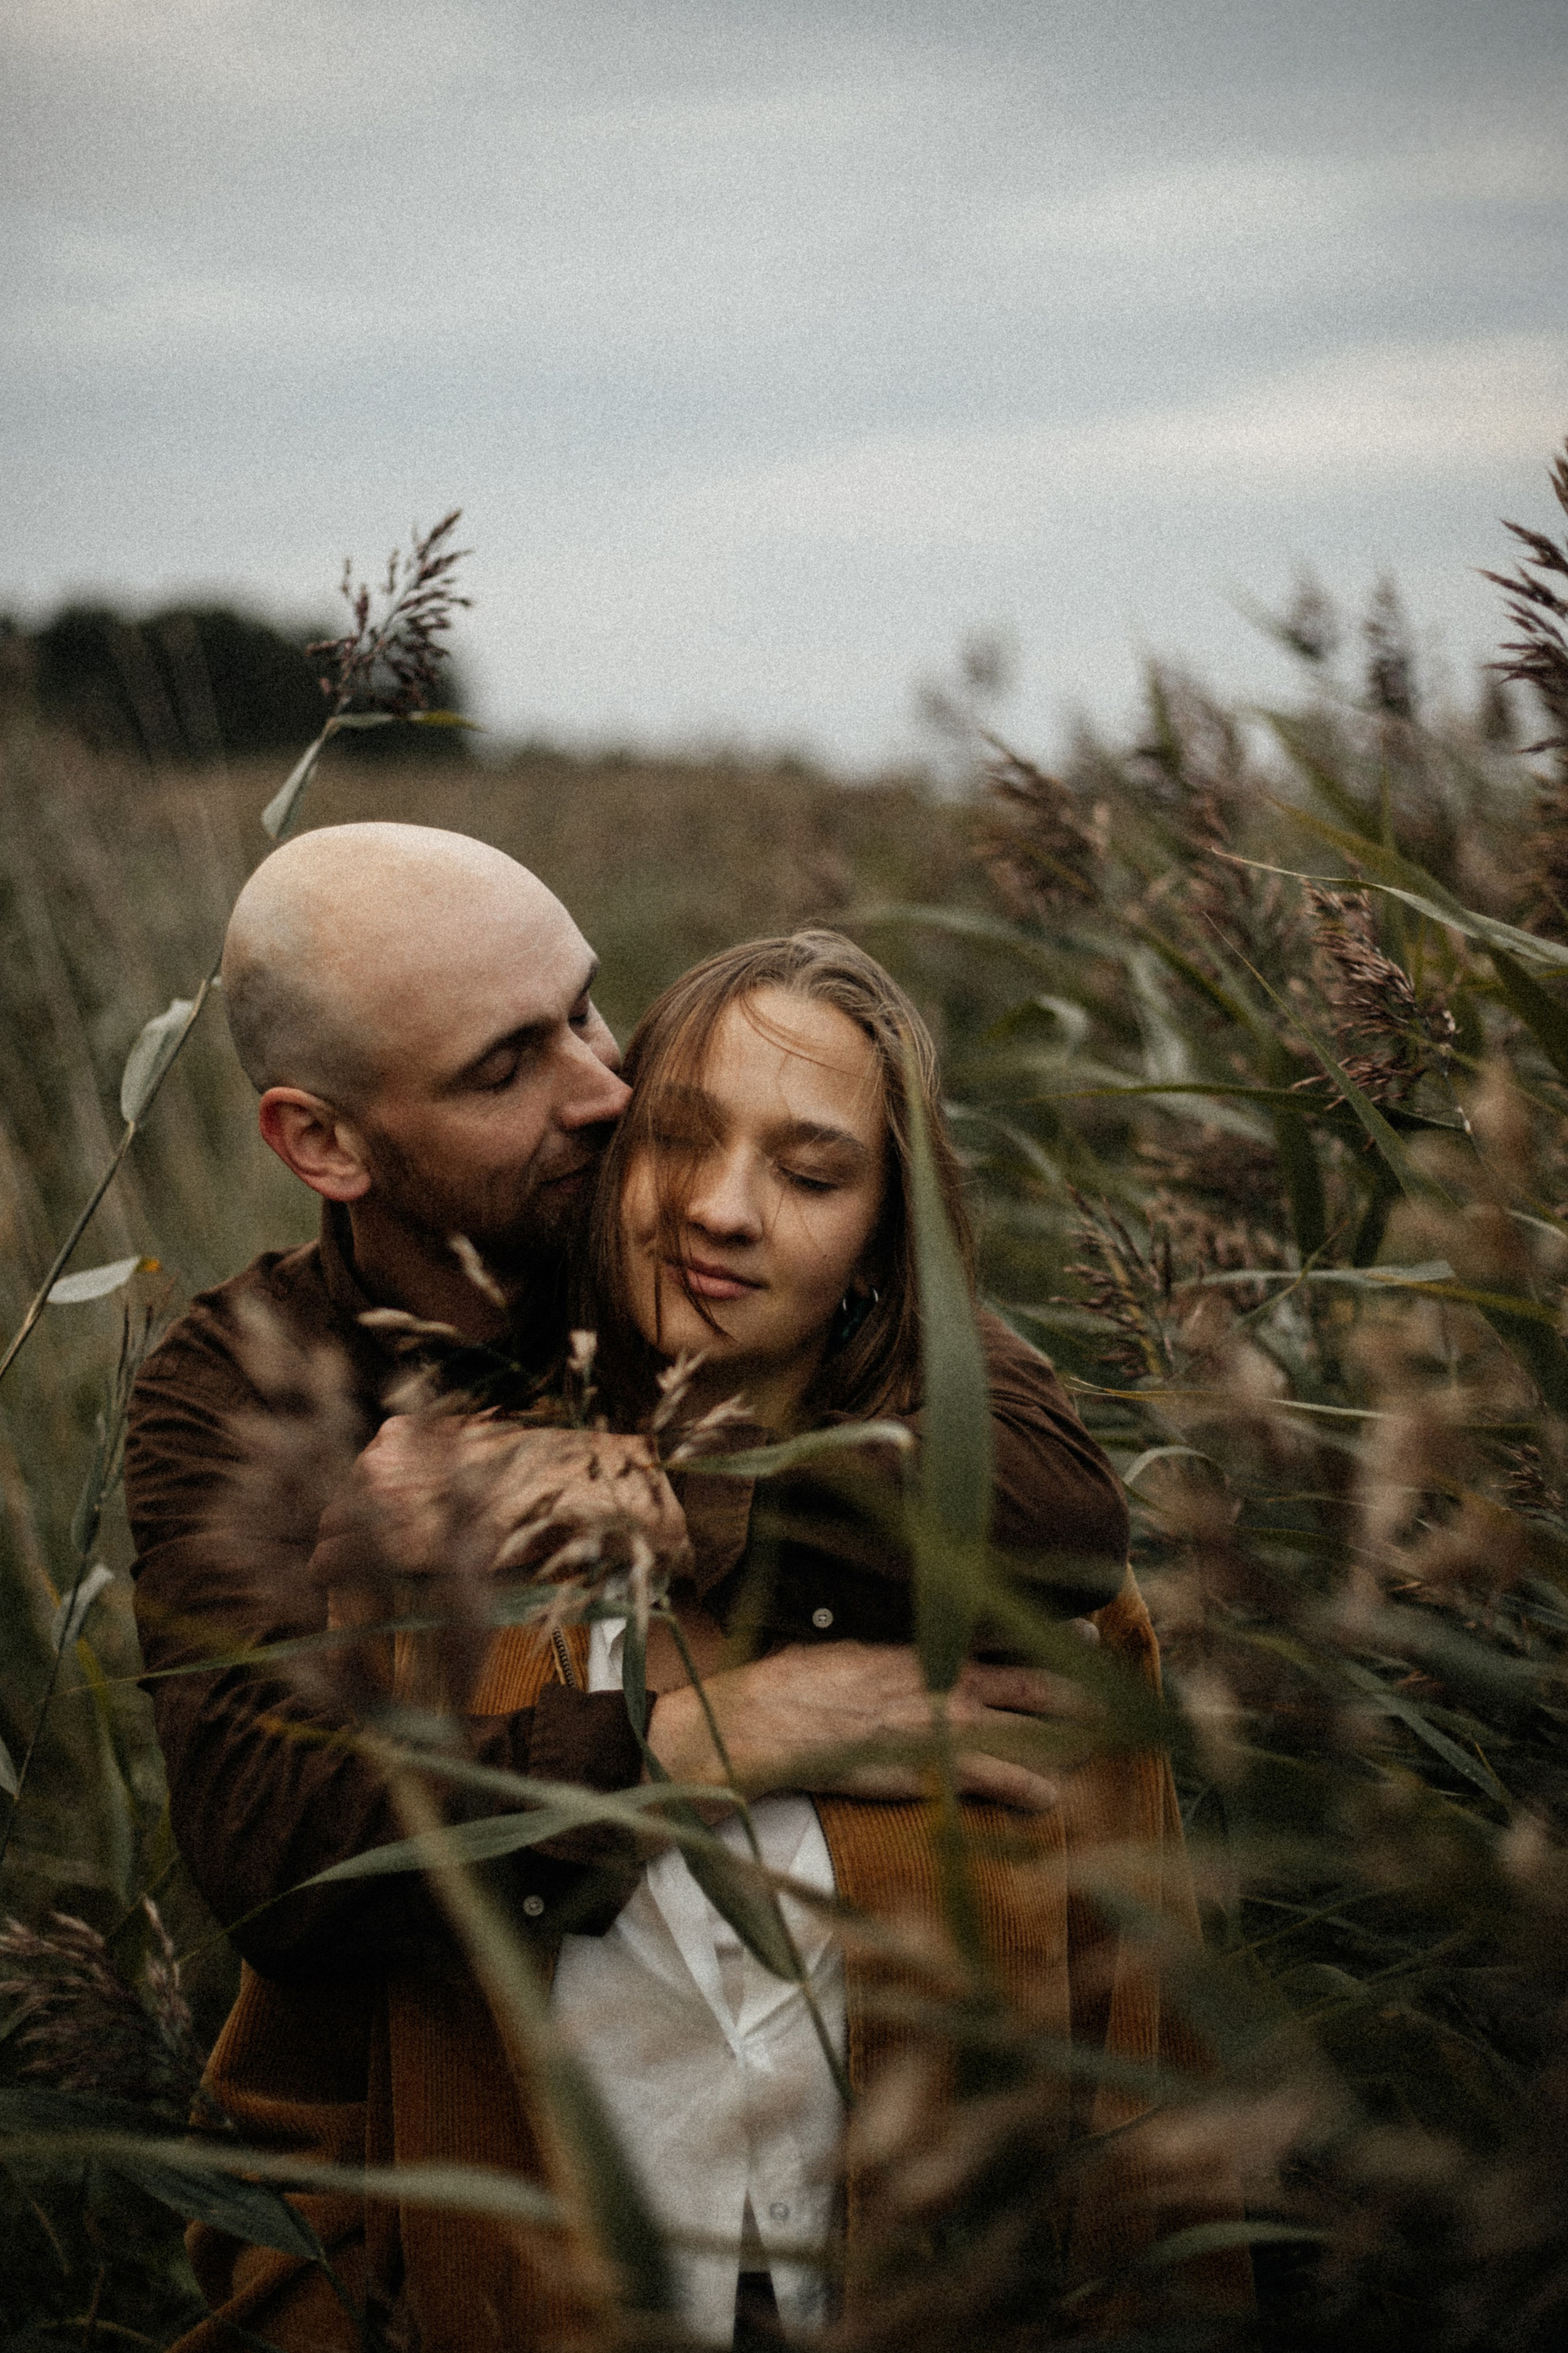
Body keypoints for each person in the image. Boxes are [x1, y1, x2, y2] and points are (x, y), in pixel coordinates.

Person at [124, 826, 1132, 2351]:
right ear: (322, 1142)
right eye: (504, 1066)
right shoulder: (259, 1395)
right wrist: (700, 1745)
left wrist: (667, 1505)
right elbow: (279, 1855)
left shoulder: (690, 1233)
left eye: (589, 1007)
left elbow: (1054, 1508)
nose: (606, 1090)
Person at [354, 932, 1237, 2346]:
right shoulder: (443, 1563)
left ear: (886, 1235)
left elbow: (1143, 2067)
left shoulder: (1027, 1613)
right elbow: (307, 2062)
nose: (721, 1209)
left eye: (811, 1173)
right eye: (678, 1142)